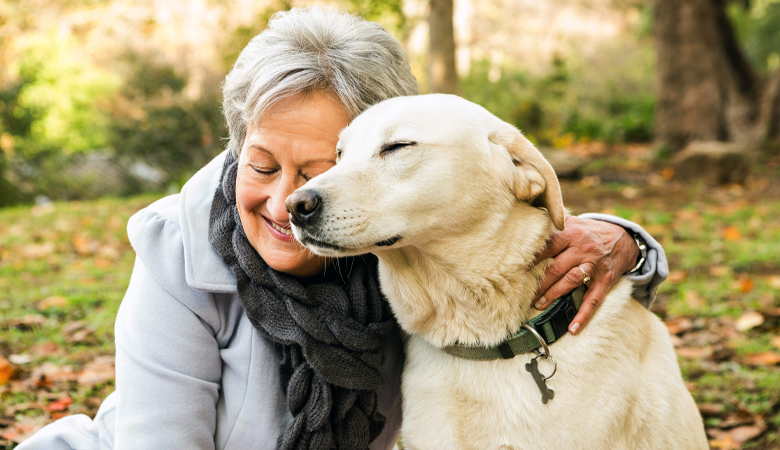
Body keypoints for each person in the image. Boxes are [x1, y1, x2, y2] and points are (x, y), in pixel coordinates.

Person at [17, 7, 667, 450]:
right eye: (262, 164)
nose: (290, 200)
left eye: (320, 167)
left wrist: (627, 241)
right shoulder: (178, 249)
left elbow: (506, 231)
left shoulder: (388, 241)